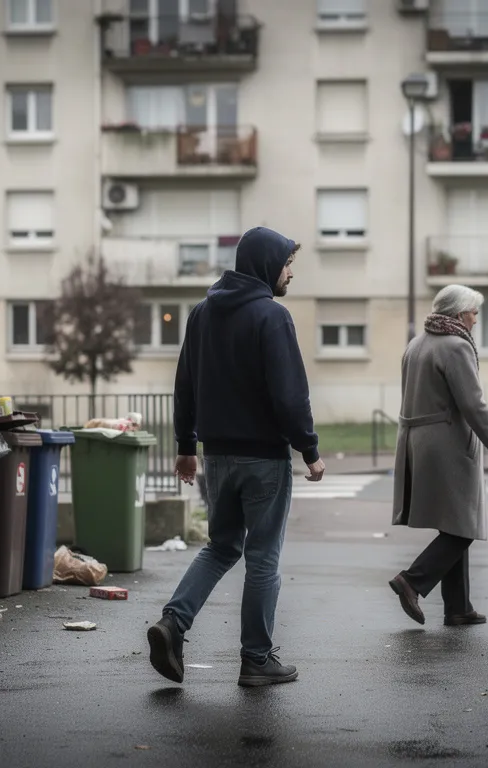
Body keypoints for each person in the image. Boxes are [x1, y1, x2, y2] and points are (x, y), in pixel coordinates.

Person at [148, 226, 325, 689]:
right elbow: (290, 394)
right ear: (268, 264)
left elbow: (184, 384)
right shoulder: (272, 316)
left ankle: (172, 623)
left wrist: (187, 447)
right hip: (264, 458)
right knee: (263, 557)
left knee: (221, 546)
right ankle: (256, 659)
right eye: (288, 264)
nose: (291, 273)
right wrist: (308, 449)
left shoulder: (202, 314)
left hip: (218, 456)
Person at [387, 286, 488, 627]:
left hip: (418, 440)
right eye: (473, 312)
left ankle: (458, 607)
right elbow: (473, 404)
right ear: (458, 314)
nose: (476, 319)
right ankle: (413, 580)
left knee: (455, 521)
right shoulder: (456, 346)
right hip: (448, 442)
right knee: (464, 526)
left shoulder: (417, 344)